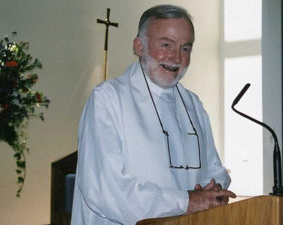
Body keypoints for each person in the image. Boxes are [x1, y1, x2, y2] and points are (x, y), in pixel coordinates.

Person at [71, 4, 236, 225]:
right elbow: (105, 189)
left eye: (185, 48)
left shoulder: (192, 104)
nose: (176, 57)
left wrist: (213, 189)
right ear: (140, 46)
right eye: (166, 44)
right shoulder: (108, 99)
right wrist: (187, 202)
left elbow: (213, 168)